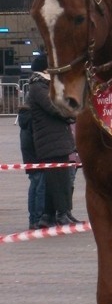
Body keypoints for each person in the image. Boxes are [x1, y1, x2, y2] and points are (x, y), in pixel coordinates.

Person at [27, 54, 77, 225]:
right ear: (45, 69)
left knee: (55, 180)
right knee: (59, 180)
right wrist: (71, 114)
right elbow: (54, 107)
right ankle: (61, 214)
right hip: (50, 140)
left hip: (56, 138)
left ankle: (48, 216)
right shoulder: (38, 86)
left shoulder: (46, 85)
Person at [17, 98, 47, 230]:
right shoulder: (34, 119)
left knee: (34, 186)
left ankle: (33, 219)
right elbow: (37, 139)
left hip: (29, 157)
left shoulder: (24, 117)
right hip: (37, 156)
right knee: (40, 187)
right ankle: (38, 218)